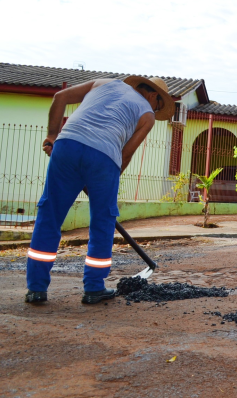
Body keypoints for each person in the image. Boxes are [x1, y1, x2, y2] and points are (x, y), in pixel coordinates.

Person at [25, 76, 174, 305]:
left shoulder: (105, 83)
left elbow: (60, 97)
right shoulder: (147, 114)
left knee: (50, 216)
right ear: (153, 96)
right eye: (158, 105)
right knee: (103, 221)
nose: (156, 109)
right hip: (105, 157)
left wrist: (53, 136)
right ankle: (94, 289)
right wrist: (105, 181)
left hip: (67, 145)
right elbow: (125, 154)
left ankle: (36, 289)